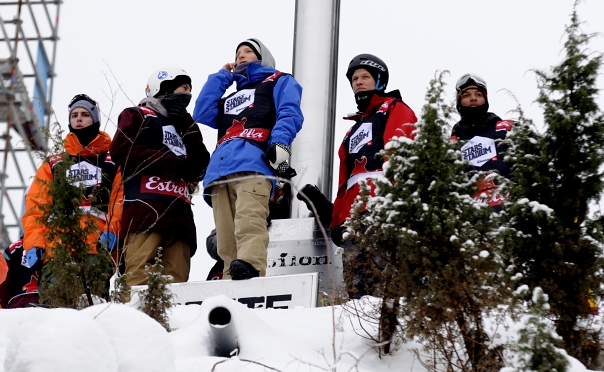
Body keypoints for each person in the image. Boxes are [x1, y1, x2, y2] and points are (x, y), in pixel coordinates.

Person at [298, 54, 417, 297]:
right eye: (354, 79)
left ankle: (387, 331)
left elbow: (400, 156)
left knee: (384, 284)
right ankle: (362, 334)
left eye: (365, 77)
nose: (358, 82)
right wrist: (336, 219)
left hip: (383, 208)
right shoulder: (352, 131)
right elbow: (345, 183)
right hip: (353, 216)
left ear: (379, 81)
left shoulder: (394, 108)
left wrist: (395, 204)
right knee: (357, 289)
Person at [193, 38, 304, 280]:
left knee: (250, 221)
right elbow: (201, 112)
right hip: (219, 170)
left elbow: (289, 113)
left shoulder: (278, 80)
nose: (241, 56)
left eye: (248, 51)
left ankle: (252, 272)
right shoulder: (229, 98)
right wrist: (222, 77)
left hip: (254, 162)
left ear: (263, 58)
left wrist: (280, 143)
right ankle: (231, 285)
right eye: (238, 53)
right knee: (225, 239)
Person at [16, 94, 121, 304]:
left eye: (84, 114)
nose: (79, 119)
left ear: (95, 119)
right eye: (74, 115)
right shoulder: (54, 164)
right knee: (56, 314)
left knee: (94, 311)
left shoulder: (112, 161)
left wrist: (112, 231)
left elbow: (119, 202)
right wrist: (35, 243)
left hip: (96, 249)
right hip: (57, 251)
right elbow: (36, 208)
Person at [110, 68, 209, 287]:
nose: (187, 95)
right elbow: (121, 150)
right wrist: (169, 161)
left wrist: (189, 128)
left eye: (190, 91)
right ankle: (134, 322)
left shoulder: (184, 126)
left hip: (180, 220)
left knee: (177, 287)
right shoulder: (137, 114)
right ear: (162, 88)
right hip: (145, 212)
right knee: (138, 281)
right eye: (182, 88)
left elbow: (200, 164)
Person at [450, 73, 515, 210]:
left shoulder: (507, 127)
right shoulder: (451, 144)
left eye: (478, 95)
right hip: (472, 219)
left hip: (510, 210)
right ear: (459, 102)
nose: (473, 98)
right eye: (466, 95)